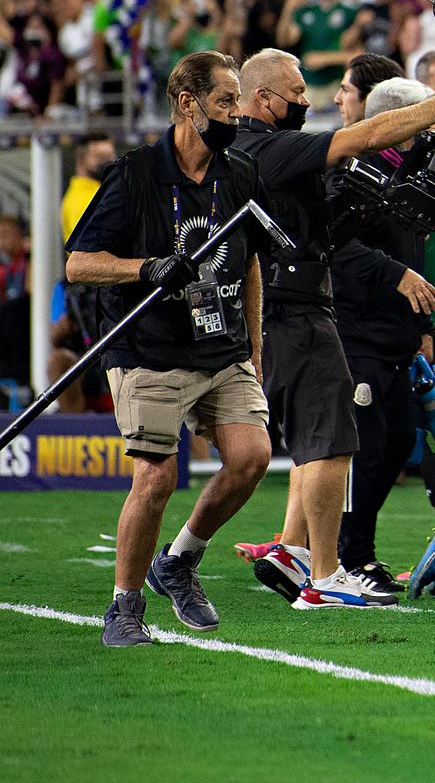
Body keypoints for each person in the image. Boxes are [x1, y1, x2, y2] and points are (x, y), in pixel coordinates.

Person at [232, 47, 435, 609]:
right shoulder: (270, 150)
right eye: (297, 95)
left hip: (314, 314)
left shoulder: (267, 150)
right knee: (329, 443)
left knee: (334, 442)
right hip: (315, 315)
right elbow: (360, 145)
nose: (311, 102)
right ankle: (328, 568)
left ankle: (288, 554)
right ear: (262, 98)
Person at [65, 52, 271, 646]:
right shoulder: (134, 174)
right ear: (188, 104)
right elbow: (80, 264)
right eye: (226, 101)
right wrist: (148, 268)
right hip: (147, 347)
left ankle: (178, 561)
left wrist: (254, 344)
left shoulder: (239, 173)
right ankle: (123, 608)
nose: (237, 112)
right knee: (155, 479)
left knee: (252, 456)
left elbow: (249, 261)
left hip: (221, 346)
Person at [329, 78, 435, 595]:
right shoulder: (356, 174)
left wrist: (422, 328)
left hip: (396, 335)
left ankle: (358, 552)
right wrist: (392, 273)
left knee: (396, 445)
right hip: (357, 334)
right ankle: (347, 558)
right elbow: (332, 245)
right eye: (422, 116)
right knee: (364, 450)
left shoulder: (409, 174)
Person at [61, 137, 116, 241]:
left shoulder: (101, 192)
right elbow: (87, 249)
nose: (109, 162)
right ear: (81, 161)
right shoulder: (80, 200)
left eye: (111, 156)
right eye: (100, 157)